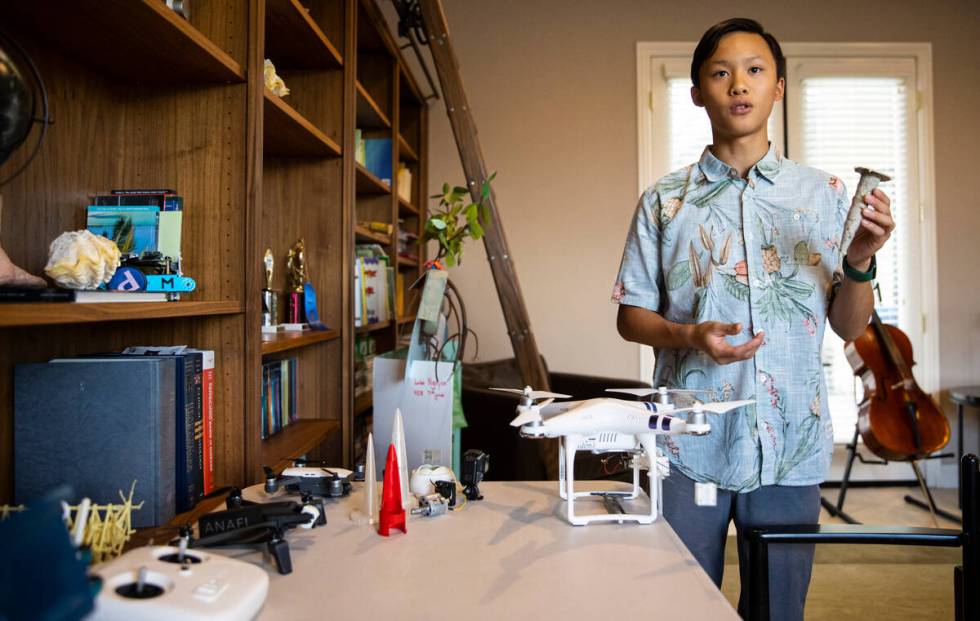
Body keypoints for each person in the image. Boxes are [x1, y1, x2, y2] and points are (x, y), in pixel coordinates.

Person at [611, 17, 894, 621]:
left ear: (778, 87)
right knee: (680, 607)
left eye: (755, 70)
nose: (739, 84)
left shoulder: (825, 193)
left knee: (778, 612)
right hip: (689, 444)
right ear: (697, 93)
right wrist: (688, 336)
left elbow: (848, 326)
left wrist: (862, 262)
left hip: (791, 442)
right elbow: (631, 317)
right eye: (721, 72)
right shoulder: (665, 201)